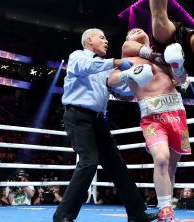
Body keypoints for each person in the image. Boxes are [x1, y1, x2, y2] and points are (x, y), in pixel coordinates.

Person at [53, 28, 157, 222]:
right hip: (77, 116)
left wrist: (139, 76)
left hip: (98, 119)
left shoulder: (106, 69)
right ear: (89, 40)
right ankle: (62, 216)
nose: (106, 40)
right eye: (102, 37)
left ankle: (137, 213)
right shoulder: (77, 56)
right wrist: (116, 62)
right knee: (89, 161)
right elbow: (88, 67)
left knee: (117, 165)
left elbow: (124, 91)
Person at [108, 28, 191, 222]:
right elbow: (110, 80)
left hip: (177, 113)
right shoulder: (127, 57)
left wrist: (177, 67)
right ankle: (164, 209)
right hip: (152, 117)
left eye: (141, 30)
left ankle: (167, 209)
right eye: (131, 31)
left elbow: (181, 80)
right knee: (161, 158)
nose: (136, 29)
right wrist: (129, 73)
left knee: (172, 165)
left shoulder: (161, 57)